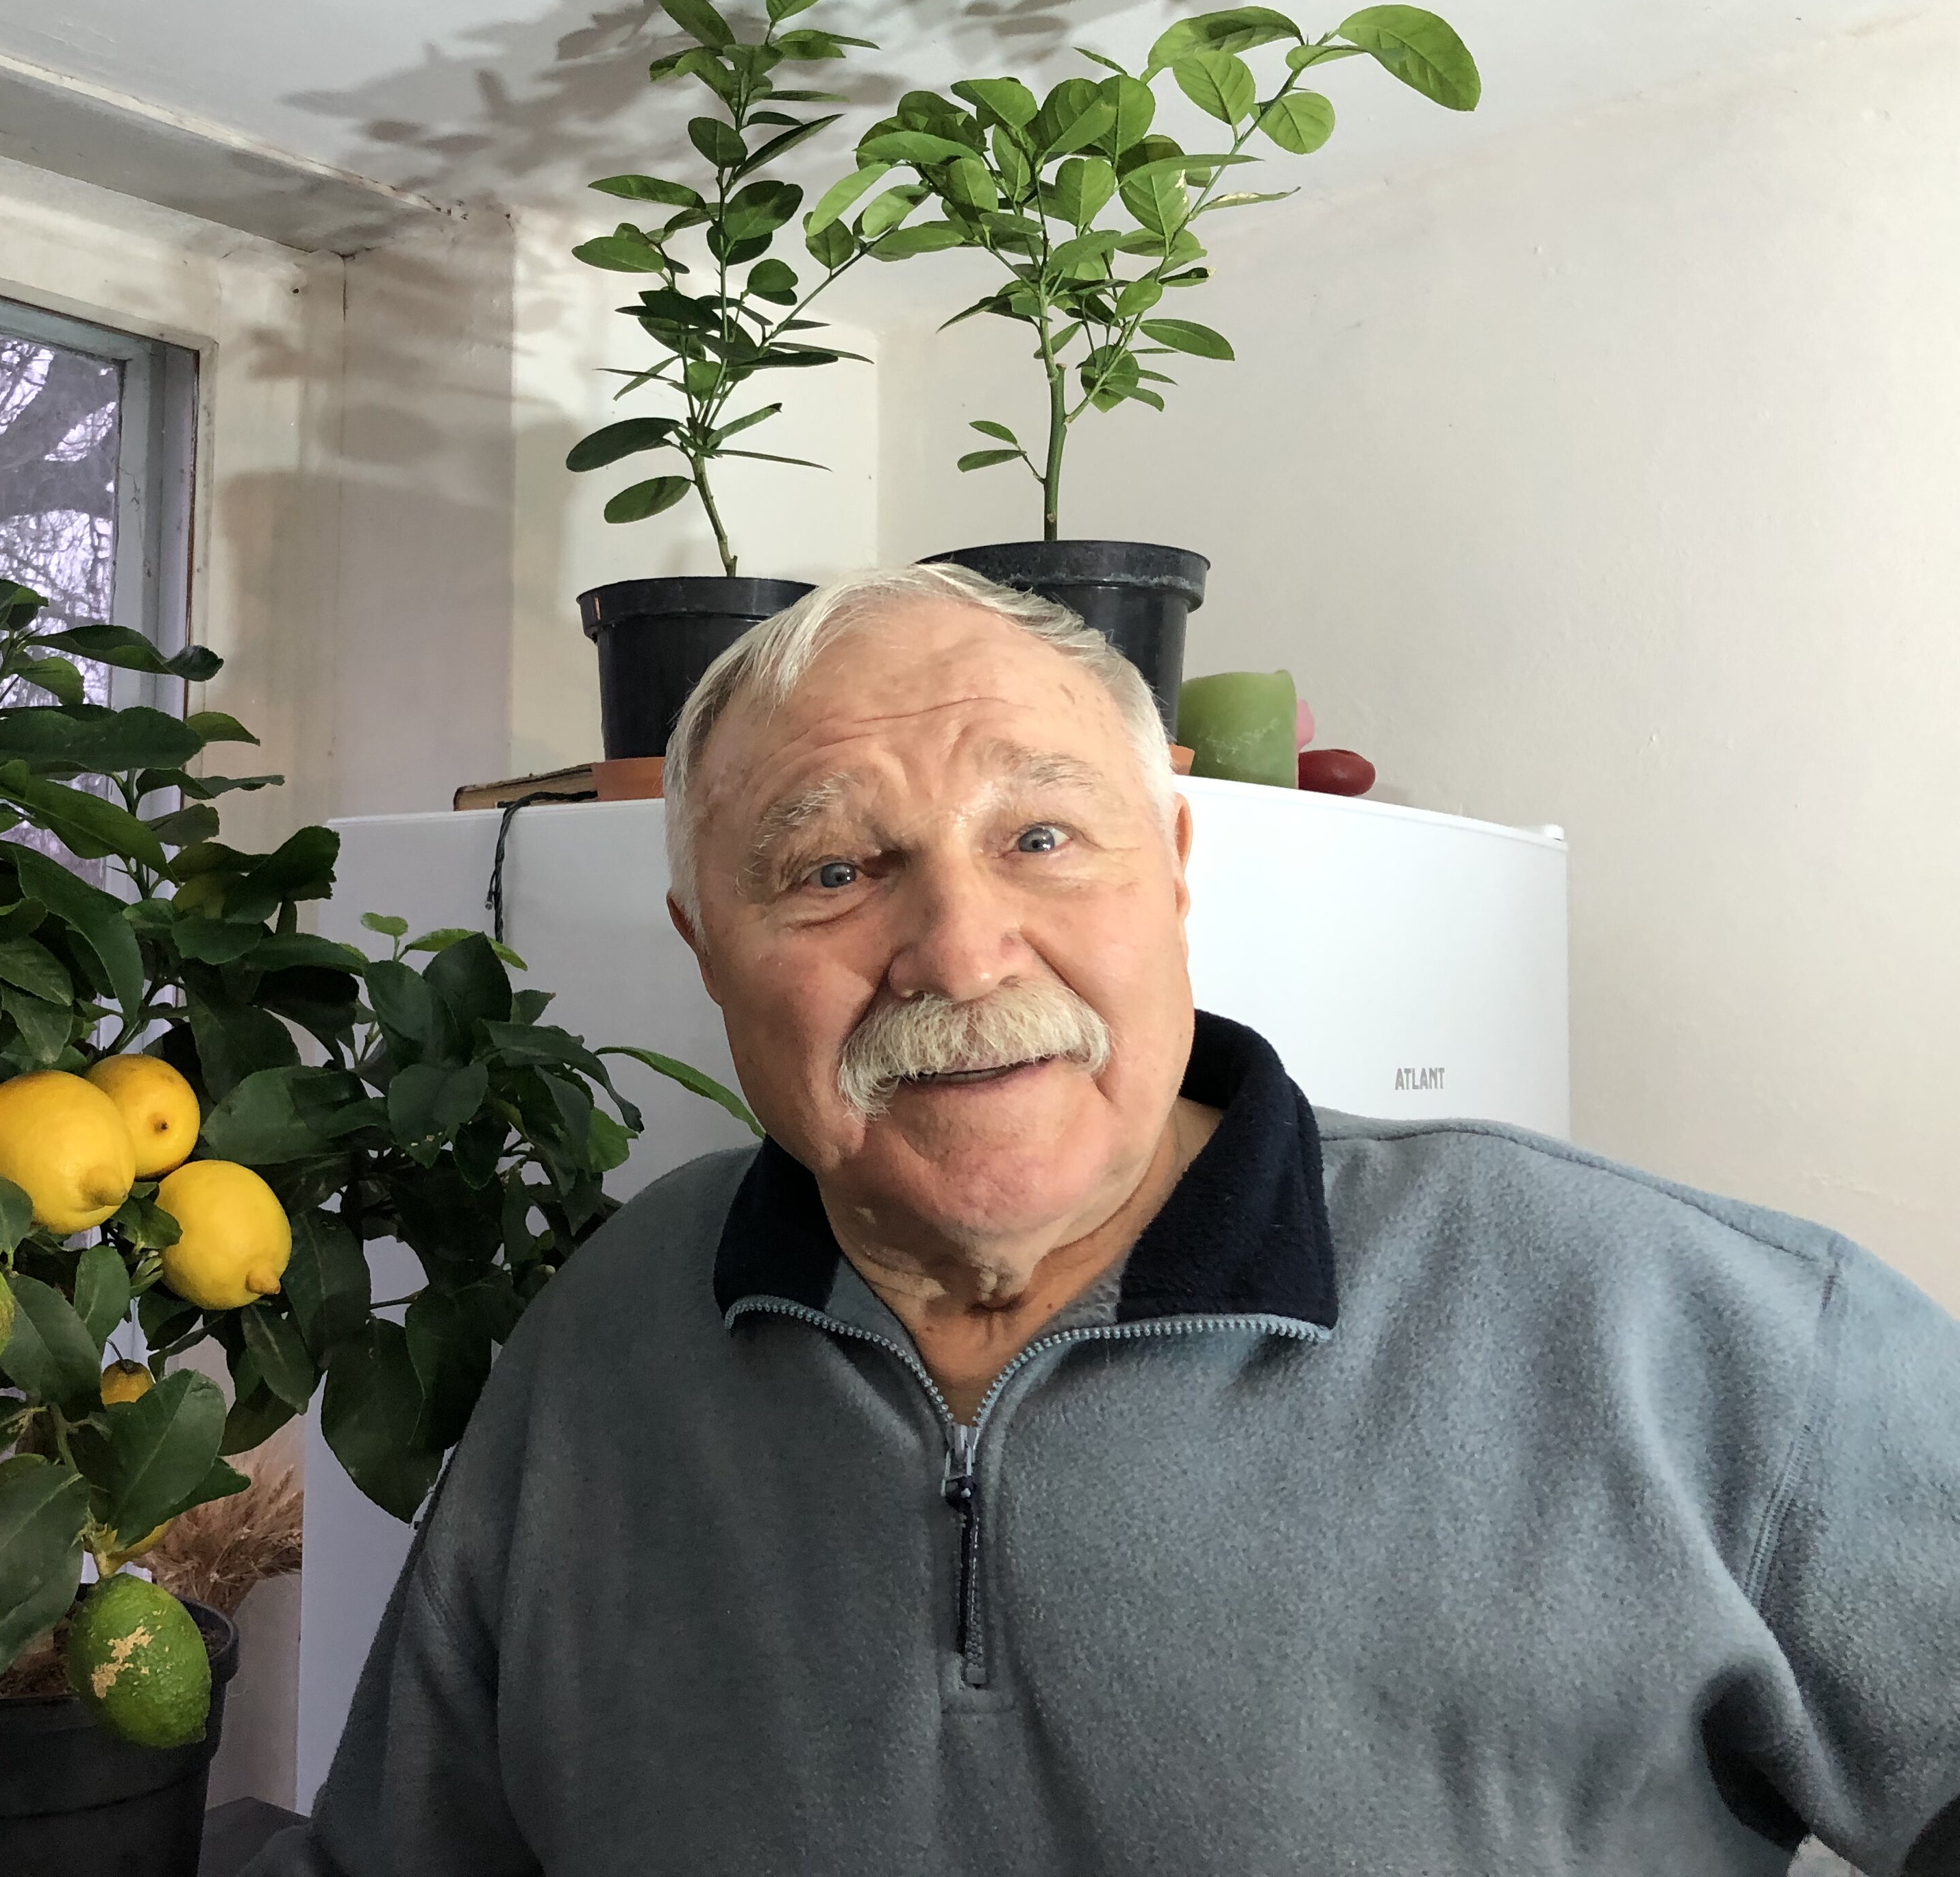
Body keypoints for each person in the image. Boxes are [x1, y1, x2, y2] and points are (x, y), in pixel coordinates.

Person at [248, 563, 1960, 1876]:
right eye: (832, 871)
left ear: (1175, 869)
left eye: (1044, 836)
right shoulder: (611, 1330)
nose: (961, 952)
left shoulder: (1698, 1333)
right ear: (707, 950)